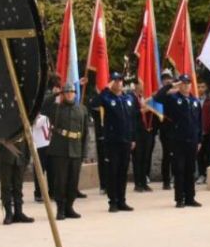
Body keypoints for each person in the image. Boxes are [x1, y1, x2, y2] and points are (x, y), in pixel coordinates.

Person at [88, 72, 136, 213]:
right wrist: (106, 88)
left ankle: (122, 201)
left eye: (120, 80)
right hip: (112, 142)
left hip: (126, 141)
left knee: (122, 172)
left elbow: (133, 119)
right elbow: (94, 104)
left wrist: (133, 138)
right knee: (112, 171)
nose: (118, 83)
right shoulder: (106, 98)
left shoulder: (128, 98)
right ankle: (113, 202)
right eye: (115, 80)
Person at [154, 74, 203, 207]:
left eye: (188, 83)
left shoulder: (195, 101)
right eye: (183, 83)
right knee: (179, 170)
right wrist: (171, 86)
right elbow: (157, 98)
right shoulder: (172, 99)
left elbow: (199, 122)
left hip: (192, 140)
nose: (186, 85)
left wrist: (199, 140)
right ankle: (179, 199)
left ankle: (190, 198)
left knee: (190, 170)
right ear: (179, 85)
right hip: (177, 141)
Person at [48, 83, 89, 220]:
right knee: (61, 181)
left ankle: (69, 207)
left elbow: (85, 133)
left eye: (72, 91)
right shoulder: (56, 109)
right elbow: (43, 106)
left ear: (75, 93)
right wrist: (55, 94)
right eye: (66, 92)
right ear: (63, 94)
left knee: (73, 181)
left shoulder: (82, 109)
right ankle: (60, 209)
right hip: (60, 149)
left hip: (76, 149)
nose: (69, 94)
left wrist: (83, 152)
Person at [0, 134, 33, 225]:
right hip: (7, 149)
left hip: (21, 149)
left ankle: (19, 212)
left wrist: (28, 152)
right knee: (6, 185)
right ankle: (8, 213)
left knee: (18, 185)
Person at [130, 78, 157, 192]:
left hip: (146, 131)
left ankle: (144, 181)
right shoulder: (131, 98)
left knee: (146, 158)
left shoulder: (144, 98)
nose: (143, 86)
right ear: (136, 85)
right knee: (138, 158)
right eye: (141, 83)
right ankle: (138, 183)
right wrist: (141, 111)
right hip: (136, 132)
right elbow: (130, 114)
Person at [157, 71, 176, 189]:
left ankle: (176, 176)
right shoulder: (162, 93)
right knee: (167, 155)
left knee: (177, 155)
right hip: (166, 128)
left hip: (177, 128)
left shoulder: (175, 92)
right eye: (165, 78)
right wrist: (169, 86)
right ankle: (166, 181)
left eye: (169, 78)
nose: (167, 80)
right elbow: (158, 97)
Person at [197, 80, 210, 181]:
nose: (200, 89)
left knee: (209, 154)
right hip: (197, 132)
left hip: (209, 131)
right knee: (199, 155)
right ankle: (201, 174)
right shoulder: (194, 99)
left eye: (203, 86)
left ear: (206, 88)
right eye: (199, 86)